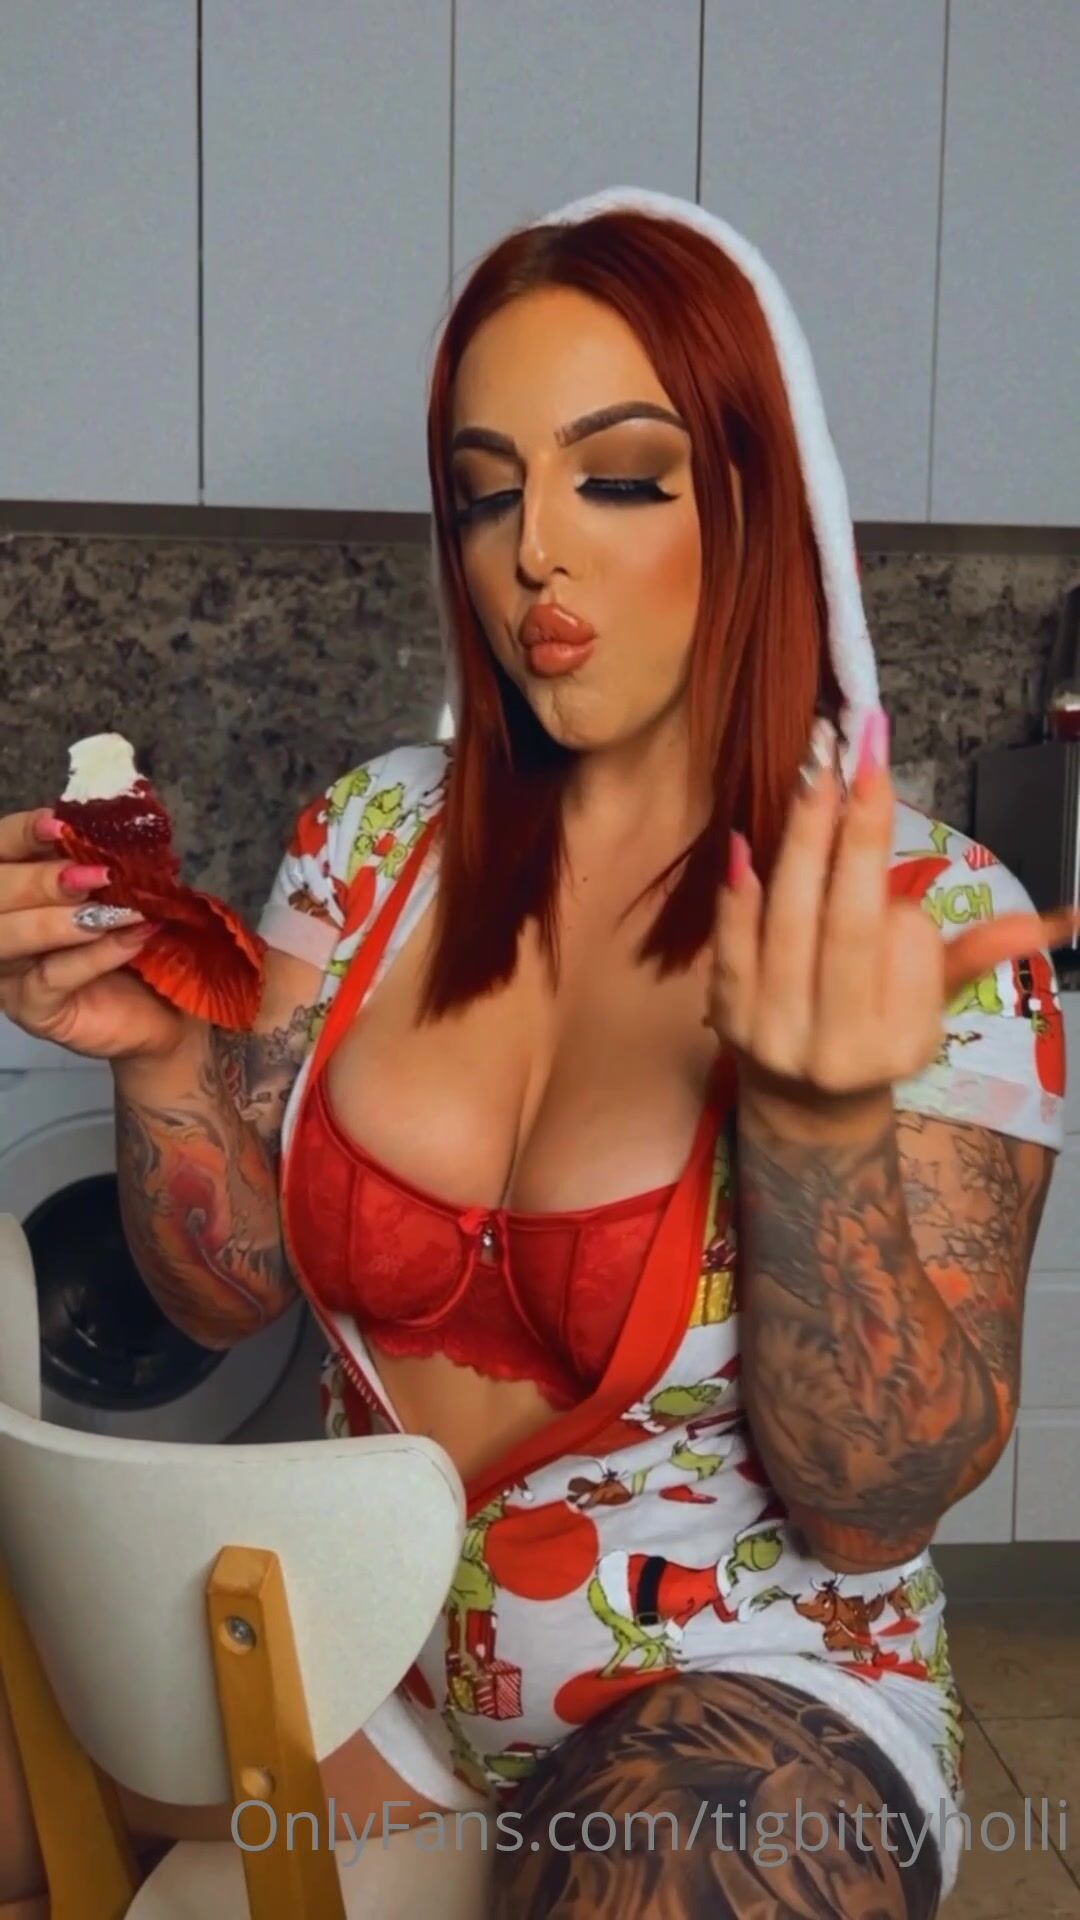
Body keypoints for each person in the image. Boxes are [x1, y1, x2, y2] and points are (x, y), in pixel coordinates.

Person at [0, 188, 1076, 1919]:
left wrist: (814, 1127)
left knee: (669, 1870)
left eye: (621, 478)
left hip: (749, 1703)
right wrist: (151, 1058)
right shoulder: (369, 844)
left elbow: (872, 1509)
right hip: (377, 1673)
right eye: (487, 492)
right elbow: (226, 1294)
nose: (534, 553)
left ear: (759, 505)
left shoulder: (920, 915)